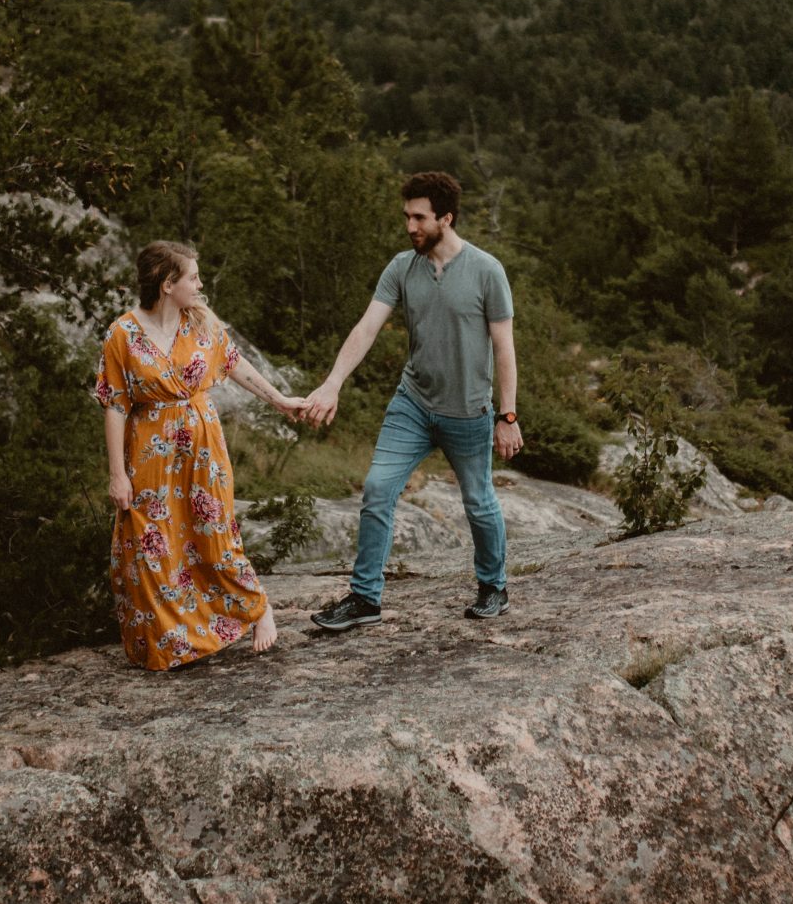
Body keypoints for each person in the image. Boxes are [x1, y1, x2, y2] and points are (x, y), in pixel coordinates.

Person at [300, 172, 521, 630]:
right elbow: (366, 327)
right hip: (413, 405)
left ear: (446, 217)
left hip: (469, 412)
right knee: (378, 489)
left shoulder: (486, 271)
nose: (410, 226)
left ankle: (493, 587)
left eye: (419, 218)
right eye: (407, 217)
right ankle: (365, 600)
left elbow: (504, 347)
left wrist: (508, 415)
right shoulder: (402, 267)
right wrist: (332, 383)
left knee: (478, 502)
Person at [95, 240, 302, 668]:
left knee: (214, 533)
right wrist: (118, 475)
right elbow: (115, 404)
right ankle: (172, 642)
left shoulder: (201, 324)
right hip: (150, 453)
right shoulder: (123, 334)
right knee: (152, 545)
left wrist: (280, 400)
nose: (200, 283)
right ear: (167, 283)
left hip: (203, 448)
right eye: (192, 277)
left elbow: (236, 365)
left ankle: (257, 608)